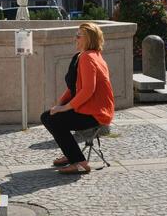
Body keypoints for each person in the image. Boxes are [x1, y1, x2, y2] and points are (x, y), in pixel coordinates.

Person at [40, 22, 114, 174]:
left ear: (88, 39)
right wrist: (59, 105)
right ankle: (71, 155)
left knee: (51, 119)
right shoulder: (91, 56)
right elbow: (73, 88)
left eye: (78, 36)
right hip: (95, 110)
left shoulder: (87, 57)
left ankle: (79, 162)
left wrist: (64, 108)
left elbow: (88, 90)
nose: (75, 38)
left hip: (95, 113)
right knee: (50, 116)